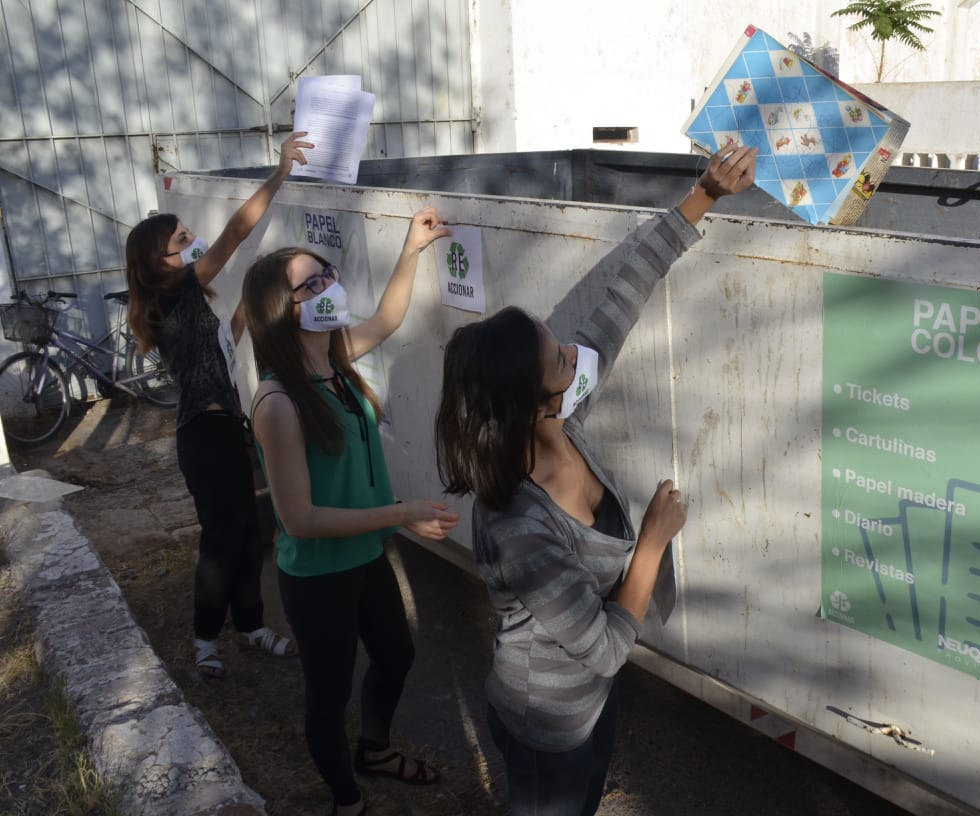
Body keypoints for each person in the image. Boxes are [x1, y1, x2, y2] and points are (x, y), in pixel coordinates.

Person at [435, 145, 758, 816]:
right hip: (545, 728)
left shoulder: (559, 418)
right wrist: (653, 541)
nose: (575, 353)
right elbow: (608, 648)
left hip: (587, 707)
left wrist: (705, 195)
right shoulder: (519, 526)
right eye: (559, 358)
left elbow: (623, 296)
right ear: (534, 400)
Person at [242, 207, 462, 816]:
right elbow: (301, 520)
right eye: (310, 285)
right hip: (318, 575)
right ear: (279, 310)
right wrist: (399, 513)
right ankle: (347, 800)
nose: (328, 288)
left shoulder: (335, 361)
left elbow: (388, 319)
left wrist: (413, 248)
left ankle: (374, 750)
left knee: (396, 654)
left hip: (365, 556)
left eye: (328, 276)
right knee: (328, 693)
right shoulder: (278, 402)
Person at [125, 131, 313, 679]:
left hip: (226, 429)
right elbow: (235, 233)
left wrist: (253, 311)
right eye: (182, 238)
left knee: (250, 532)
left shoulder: (185, 301)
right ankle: (206, 638)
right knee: (222, 537)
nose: (195, 240)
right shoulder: (170, 295)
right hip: (203, 438)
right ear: (161, 262)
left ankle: (250, 625)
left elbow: (220, 346)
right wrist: (279, 174)